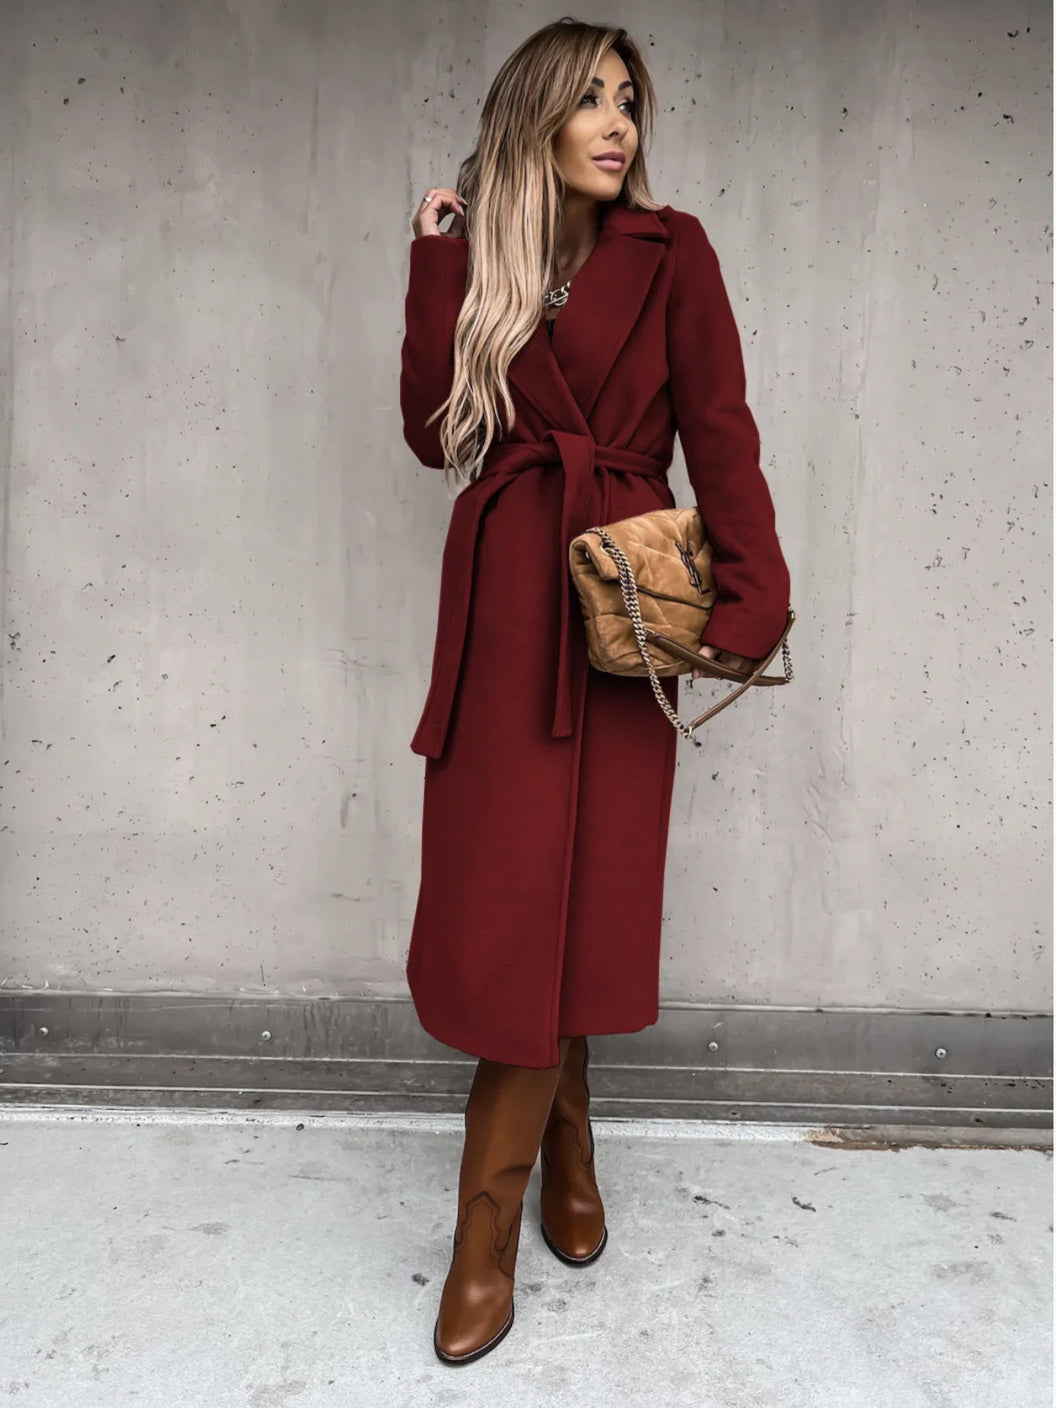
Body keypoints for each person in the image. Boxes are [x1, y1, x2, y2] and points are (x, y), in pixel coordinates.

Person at [398, 19, 791, 1365]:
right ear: (538, 120)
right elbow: (431, 431)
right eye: (591, 101)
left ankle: (494, 1224)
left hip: (618, 602)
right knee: (512, 908)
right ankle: (541, 1176)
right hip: (509, 603)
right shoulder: (496, 261)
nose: (619, 122)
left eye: (631, 101)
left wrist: (751, 594)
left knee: (582, 898)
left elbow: (723, 427)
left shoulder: (673, 253)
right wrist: (438, 260)